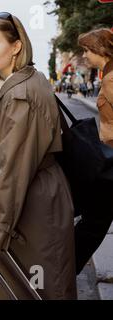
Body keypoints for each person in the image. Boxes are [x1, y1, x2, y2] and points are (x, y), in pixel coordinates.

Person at [0, 13, 76, 299]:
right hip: (41, 196)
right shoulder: (33, 78)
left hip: (32, 206)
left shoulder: (19, 94)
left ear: (16, 46)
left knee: (29, 288)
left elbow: (14, 169)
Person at [74, 28, 113, 274]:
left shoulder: (111, 80)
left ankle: (63, 270)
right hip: (108, 159)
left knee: (92, 222)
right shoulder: (107, 75)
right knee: (93, 220)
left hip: (111, 162)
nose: (84, 55)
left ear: (102, 49)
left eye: (87, 50)